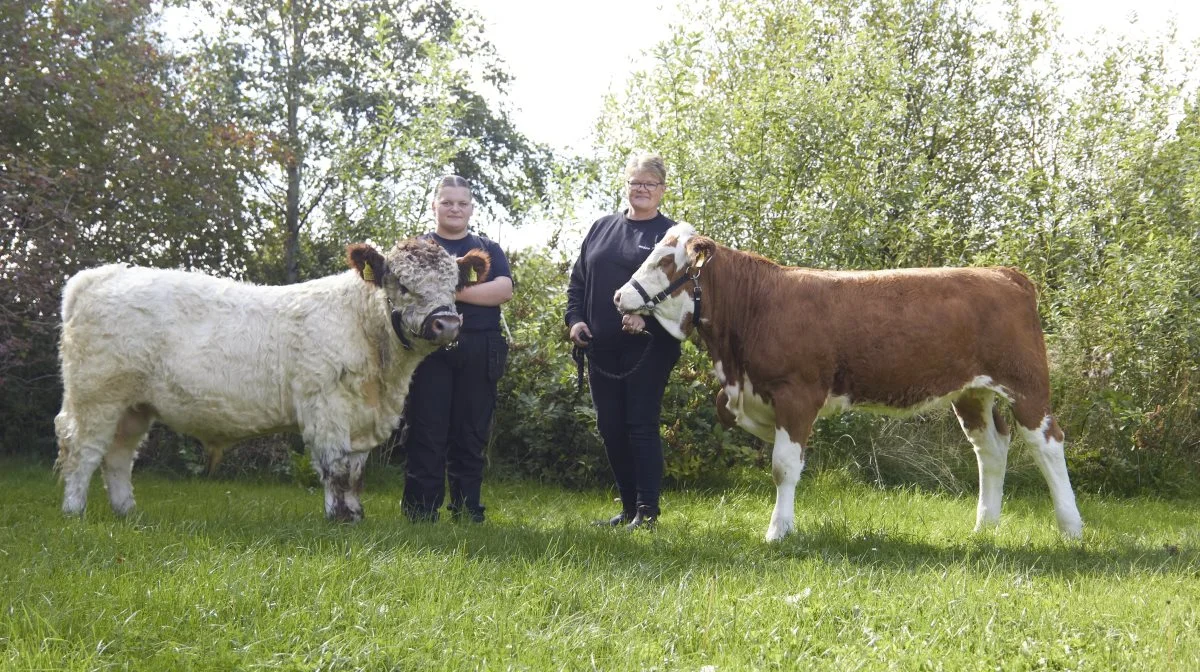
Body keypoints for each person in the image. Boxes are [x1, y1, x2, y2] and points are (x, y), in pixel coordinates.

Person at [565, 153, 682, 530]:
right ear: (626, 186)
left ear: (662, 190)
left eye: (650, 183)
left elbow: (683, 294)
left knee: (640, 424)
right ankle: (629, 509)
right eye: (636, 182)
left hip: (649, 346)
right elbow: (578, 283)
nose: (642, 189)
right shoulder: (601, 228)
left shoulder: (673, 236)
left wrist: (645, 314)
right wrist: (575, 320)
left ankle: (648, 513)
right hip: (600, 347)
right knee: (610, 425)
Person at [402, 175, 512, 523]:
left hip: (480, 348)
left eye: (461, 203)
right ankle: (421, 512)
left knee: (471, 433)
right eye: (447, 202)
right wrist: (466, 290)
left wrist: (446, 291)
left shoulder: (487, 248)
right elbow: (402, 291)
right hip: (427, 350)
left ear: (471, 208)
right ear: (434, 206)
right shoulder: (417, 248)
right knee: (426, 432)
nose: (454, 209)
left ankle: (467, 511)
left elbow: (503, 290)